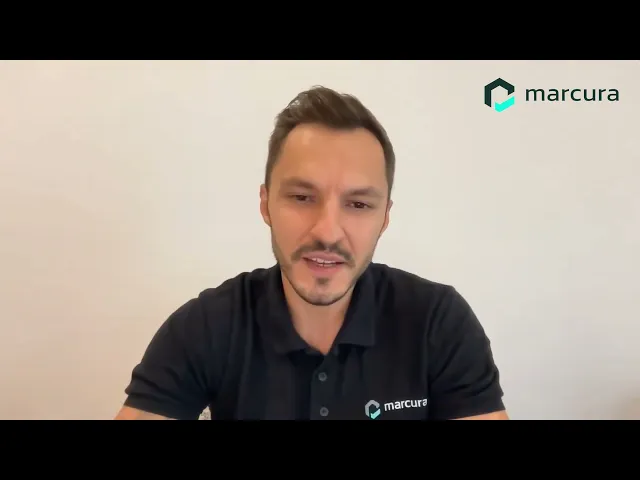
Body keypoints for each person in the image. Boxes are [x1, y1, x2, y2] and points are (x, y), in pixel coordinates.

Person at [115, 86, 508, 420]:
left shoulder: (437, 322)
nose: (327, 231)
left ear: (385, 217)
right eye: (302, 197)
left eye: (358, 204)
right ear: (266, 203)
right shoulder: (207, 326)